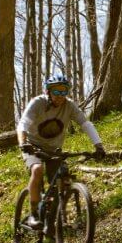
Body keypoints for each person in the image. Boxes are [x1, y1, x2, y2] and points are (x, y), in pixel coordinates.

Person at [16, 74, 106, 229]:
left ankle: (52, 221)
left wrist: (98, 145)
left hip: (53, 150)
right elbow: (23, 124)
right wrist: (23, 143)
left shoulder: (69, 106)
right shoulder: (38, 103)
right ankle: (34, 214)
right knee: (37, 170)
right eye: (56, 91)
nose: (60, 96)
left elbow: (85, 123)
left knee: (62, 181)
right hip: (32, 146)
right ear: (48, 92)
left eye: (64, 91)